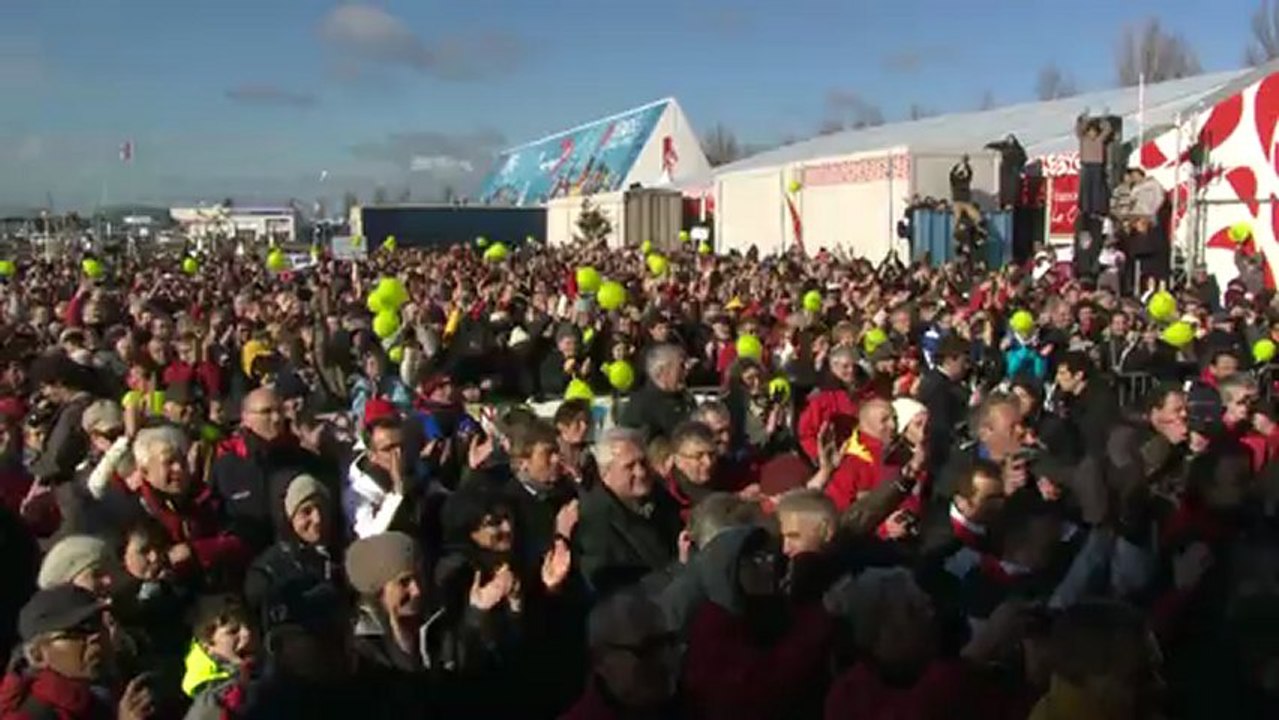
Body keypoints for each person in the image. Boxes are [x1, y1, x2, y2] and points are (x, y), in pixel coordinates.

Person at [681, 526, 834, 720]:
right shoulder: (714, 623)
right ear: (729, 568)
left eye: (770, 556)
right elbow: (758, 691)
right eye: (755, 559)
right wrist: (810, 631)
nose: (768, 565)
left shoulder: (778, 608)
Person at [0, 586, 155, 720]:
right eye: (77, 631)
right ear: (38, 655)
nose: (95, 636)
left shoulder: (122, 692)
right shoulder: (28, 715)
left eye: (97, 624)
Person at [210, 388, 320, 552]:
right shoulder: (227, 467)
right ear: (246, 418)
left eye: (280, 411)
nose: (276, 418)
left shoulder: (304, 461)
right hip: (247, 563)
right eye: (266, 412)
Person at [577, 429, 682, 593]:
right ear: (605, 472)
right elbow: (607, 584)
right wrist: (677, 569)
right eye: (629, 466)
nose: (640, 472)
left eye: (643, 462)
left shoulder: (663, 501)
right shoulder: (594, 520)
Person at [560, 590, 684, 720]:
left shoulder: (696, 707)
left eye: (668, 642)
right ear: (599, 659)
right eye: (648, 648)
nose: (665, 659)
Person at [244, 473, 341, 616]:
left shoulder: (343, 557)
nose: (317, 519)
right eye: (306, 511)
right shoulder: (268, 571)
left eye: (322, 508)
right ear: (290, 518)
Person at [796, 345, 861, 463]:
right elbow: (805, 432)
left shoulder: (857, 391)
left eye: (853, 366)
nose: (851, 370)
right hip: (831, 459)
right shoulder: (821, 396)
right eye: (845, 366)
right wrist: (821, 458)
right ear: (833, 366)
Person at [619, 345, 696, 441]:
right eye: (681, 366)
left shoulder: (686, 399)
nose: (687, 370)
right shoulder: (641, 406)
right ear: (662, 371)